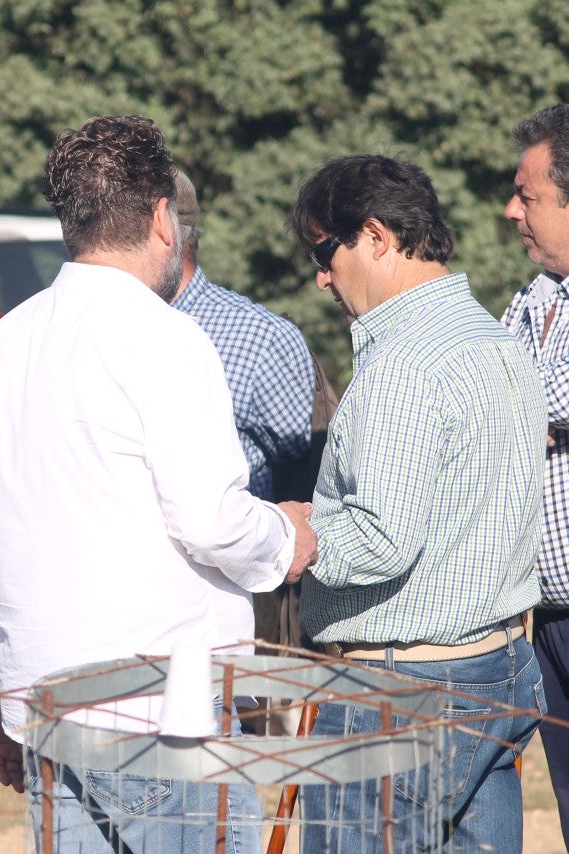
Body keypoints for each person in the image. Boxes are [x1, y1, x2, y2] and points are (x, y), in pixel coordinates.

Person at [0, 114, 317, 853]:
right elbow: (210, 522)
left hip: (44, 706)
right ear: (161, 219)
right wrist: (288, 538)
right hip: (162, 719)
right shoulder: (168, 338)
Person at [292, 154, 546, 852]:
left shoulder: (404, 363)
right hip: (497, 669)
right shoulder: (495, 339)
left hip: (400, 691)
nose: (321, 276)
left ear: (375, 236)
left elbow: (381, 539)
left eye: (324, 250)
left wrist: (295, 537)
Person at [501, 102, 569, 851]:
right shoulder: (533, 298)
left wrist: (524, 412)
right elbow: (496, 398)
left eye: (530, 195)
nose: (512, 209)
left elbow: (528, 400)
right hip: (546, 613)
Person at [170, 168, 317, 502]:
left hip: (234, 550)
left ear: (167, 235)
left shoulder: (263, 337)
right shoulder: (106, 325)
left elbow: (302, 470)